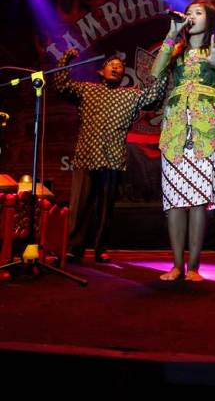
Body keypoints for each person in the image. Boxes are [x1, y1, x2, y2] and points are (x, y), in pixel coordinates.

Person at [151, 0, 215, 281]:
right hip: (176, 127)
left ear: (209, 19)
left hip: (205, 128)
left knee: (198, 198)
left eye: (198, 12)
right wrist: (171, 34)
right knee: (175, 198)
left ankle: (193, 267)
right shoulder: (176, 49)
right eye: (188, 12)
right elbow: (155, 72)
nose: (191, 16)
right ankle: (176, 265)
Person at [54, 49, 167, 263]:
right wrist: (66, 59)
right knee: (80, 205)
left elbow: (154, 95)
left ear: (123, 73)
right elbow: (62, 85)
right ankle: (74, 248)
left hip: (113, 158)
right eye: (111, 64)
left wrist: (164, 68)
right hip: (87, 155)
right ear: (101, 71)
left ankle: (101, 248)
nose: (116, 67)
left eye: (120, 66)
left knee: (105, 208)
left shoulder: (130, 95)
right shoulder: (87, 90)